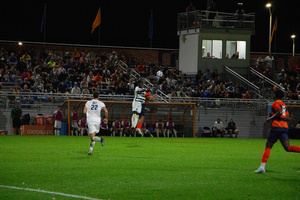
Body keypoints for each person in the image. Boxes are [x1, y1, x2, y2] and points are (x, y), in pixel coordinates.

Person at [255, 90, 300, 174]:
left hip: (276, 127)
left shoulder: (275, 103)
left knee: (268, 145)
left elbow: (279, 112)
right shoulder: (284, 105)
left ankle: (262, 167)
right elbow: (287, 118)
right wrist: (279, 118)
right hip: (284, 128)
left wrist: (271, 118)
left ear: (275, 95)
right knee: (288, 148)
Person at [83, 91, 108, 155]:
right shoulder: (101, 103)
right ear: (98, 96)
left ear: (92, 96)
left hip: (91, 120)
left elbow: (84, 111)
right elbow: (106, 111)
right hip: (98, 121)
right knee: (92, 137)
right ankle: (90, 151)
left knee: (92, 137)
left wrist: (88, 114)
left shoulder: (88, 102)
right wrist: (106, 118)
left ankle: (100, 139)